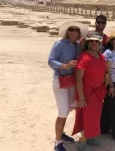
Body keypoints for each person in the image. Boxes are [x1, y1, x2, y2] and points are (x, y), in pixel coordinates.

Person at [48, 22, 88, 151]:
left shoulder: (77, 46)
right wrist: (64, 65)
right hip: (60, 80)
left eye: (76, 30)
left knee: (67, 110)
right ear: (67, 31)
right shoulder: (59, 44)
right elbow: (50, 60)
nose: (74, 32)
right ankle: (57, 142)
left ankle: (62, 134)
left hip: (71, 81)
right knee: (62, 112)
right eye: (71, 30)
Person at [72, 32, 108, 151]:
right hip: (87, 93)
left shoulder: (101, 56)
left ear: (99, 43)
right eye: (91, 41)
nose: (94, 43)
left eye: (96, 41)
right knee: (85, 117)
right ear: (87, 43)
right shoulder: (84, 57)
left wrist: (106, 78)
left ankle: (91, 138)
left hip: (98, 92)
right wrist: (81, 97)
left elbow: (104, 70)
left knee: (95, 117)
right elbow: (78, 78)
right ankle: (82, 142)